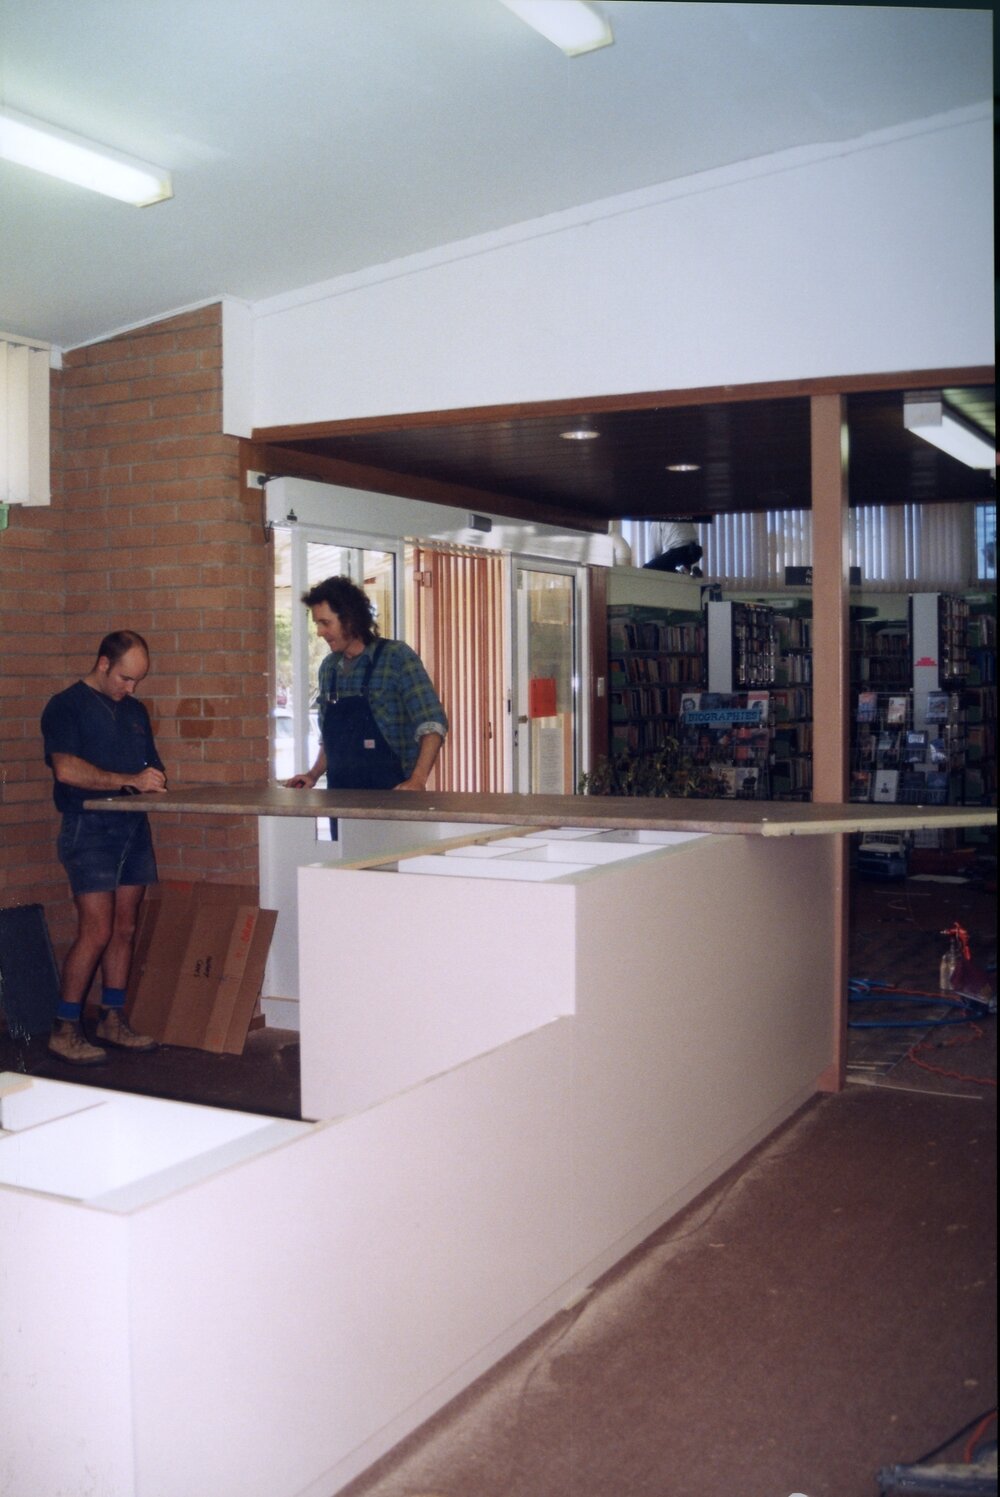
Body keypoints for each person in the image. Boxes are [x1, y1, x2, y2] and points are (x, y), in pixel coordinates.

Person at [40, 630, 167, 1066]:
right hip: (88, 828)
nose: (130, 689)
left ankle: (113, 1018)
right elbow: (67, 770)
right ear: (102, 664)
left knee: (125, 929)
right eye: (126, 679)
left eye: (137, 681)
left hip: (132, 826)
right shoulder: (65, 706)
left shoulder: (134, 711)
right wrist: (127, 779)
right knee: (95, 930)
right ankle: (65, 1027)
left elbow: (151, 765)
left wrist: (150, 779)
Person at [283, 576, 448, 795]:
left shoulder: (396, 658)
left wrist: (417, 780)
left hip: (396, 796)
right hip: (340, 800)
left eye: (325, 623)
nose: (319, 632)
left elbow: (432, 724)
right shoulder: (329, 668)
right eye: (317, 624)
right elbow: (330, 739)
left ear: (350, 619)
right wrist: (312, 774)